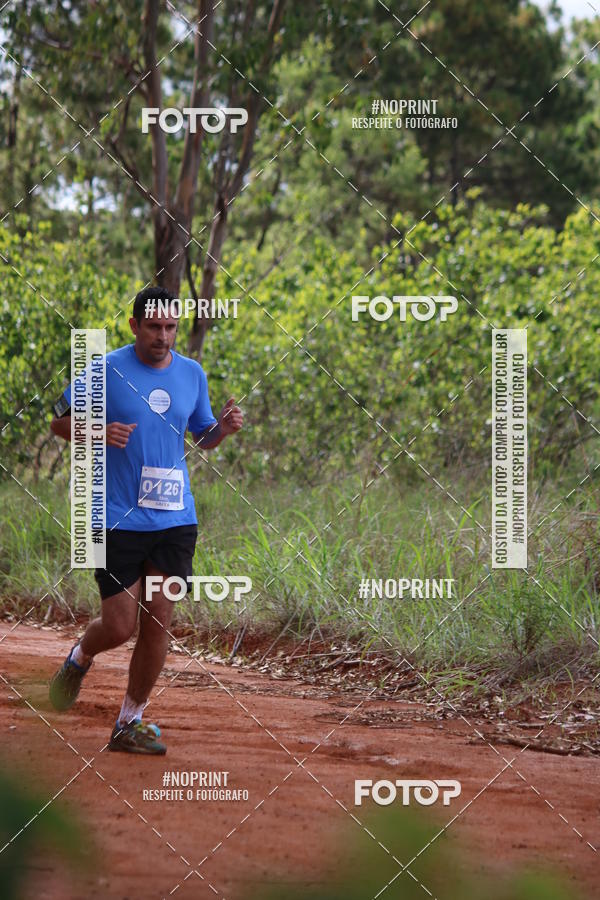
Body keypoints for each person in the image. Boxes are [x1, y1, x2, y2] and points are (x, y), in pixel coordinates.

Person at [48, 286, 243, 754]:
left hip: (175, 519)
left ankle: (128, 722)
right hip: (116, 517)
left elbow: (202, 436)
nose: (163, 336)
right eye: (154, 327)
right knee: (119, 627)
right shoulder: (105, 368)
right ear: (134, 326)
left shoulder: (192, 374)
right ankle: (80, 656)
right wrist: (98, 429)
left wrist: (223, 428)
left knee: (159, 619)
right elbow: (57, 423)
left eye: (171, 327)